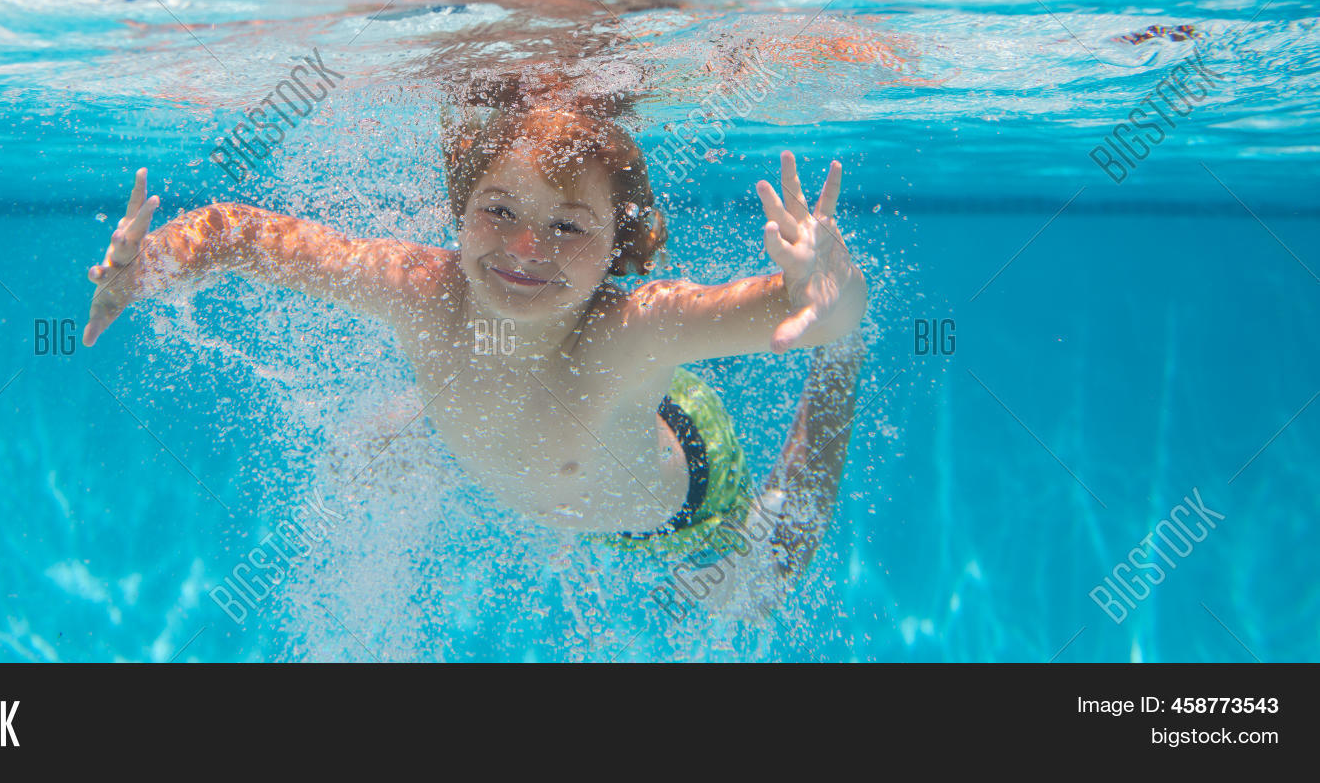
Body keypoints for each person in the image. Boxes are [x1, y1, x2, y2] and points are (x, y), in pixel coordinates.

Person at [82, 102, 868, 616]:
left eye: (569, 226)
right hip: (550, 437)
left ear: (619, 246)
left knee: (759, 583)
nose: (526, 248)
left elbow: (803, 308)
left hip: (679, 485)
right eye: (499, 210)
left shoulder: (636, 328)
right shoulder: (422, 290)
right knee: (362, 451)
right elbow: (239, 232)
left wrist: (831, 298)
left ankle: (844, 372)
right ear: (459, 211)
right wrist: (145, 265)